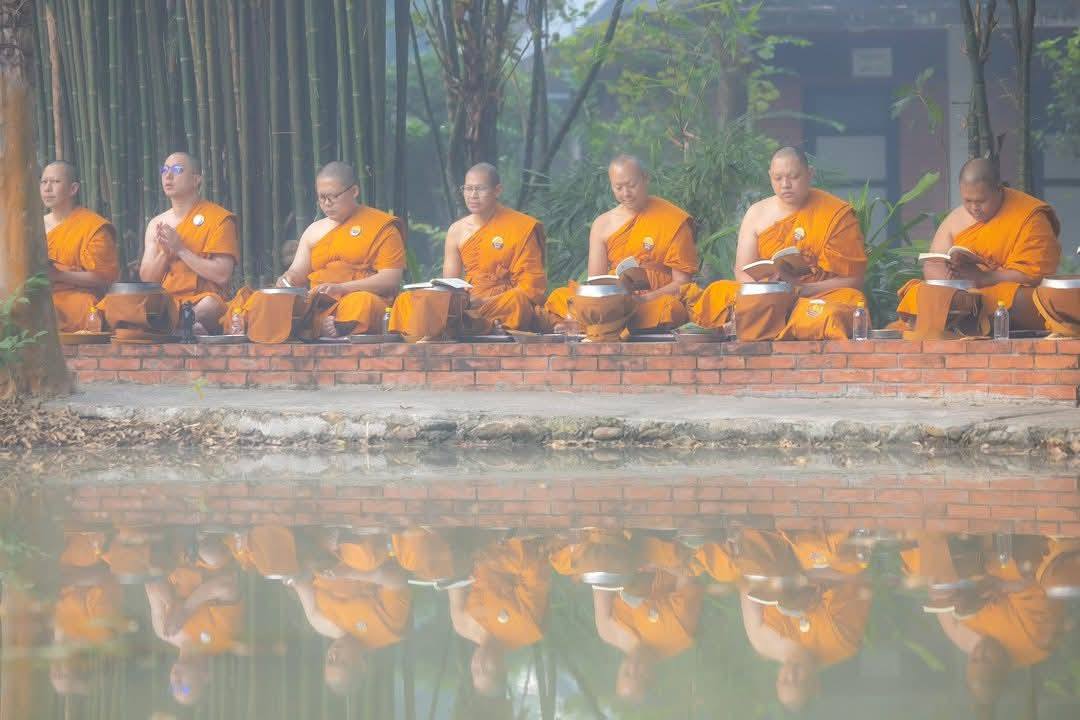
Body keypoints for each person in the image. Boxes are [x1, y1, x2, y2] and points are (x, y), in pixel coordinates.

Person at [683, 146, 868, 340]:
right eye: (778, 178)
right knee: (718, 292)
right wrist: (768, 293)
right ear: (770, 176)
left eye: (794, 177)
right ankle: (773, 317)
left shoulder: (835, 214)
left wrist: (801, 289)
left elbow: (854, 280)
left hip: (815, 296)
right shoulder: (757, 213)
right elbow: (742, 271)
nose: (785, 185)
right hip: (766, 294)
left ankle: (752, 323)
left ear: (810, 174)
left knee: (847, 303)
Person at [893, 158, 1061, 339]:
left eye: (981, 201)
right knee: (921, 292)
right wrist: (953, 279)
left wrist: (984, 277)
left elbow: (1035, 275)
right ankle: (955, 319)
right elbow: (934, 263)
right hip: (966, 293)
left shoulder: (1029, 216)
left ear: (999, 189)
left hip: (1006, 294)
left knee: (1022, 298)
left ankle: (957, 320)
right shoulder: (957, 218)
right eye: (967, 200)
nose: (974, 208)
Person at [542, 155, 698, 341]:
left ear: (645, 178)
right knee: (560, 297)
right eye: (618, 188)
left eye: (631, 185)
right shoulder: (602, 224)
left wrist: (643, 299)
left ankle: (589, 325)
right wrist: (613, 298)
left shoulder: (673, 219)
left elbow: (682, 283)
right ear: (611, 186)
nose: (626, 193)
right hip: (613, 301)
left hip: (652, 300)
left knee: (669, 309)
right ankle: (603, 322)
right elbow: (596, 282)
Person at [389, 163, 547, 341]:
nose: (473, 195)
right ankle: (475, 325)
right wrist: (461, 301)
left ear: (497, 191)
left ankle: (460, 327)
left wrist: (483, 302)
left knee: (517, 301)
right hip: (469, 304)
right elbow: (449, 285)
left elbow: (531, 288)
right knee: (408, 300)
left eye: (480, 189)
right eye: (468, 189)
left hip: (501, 303)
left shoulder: (522, 227)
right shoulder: (457, 230)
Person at [133, 152, 238, 334]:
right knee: (122, 302)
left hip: (202, 301)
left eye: (177, 170)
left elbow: (222, 275)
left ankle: (176, 324)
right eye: (164, 170)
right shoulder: (156, 224)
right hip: (167, 302)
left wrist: (181, 249)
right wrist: (165, 253)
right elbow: (148, 280)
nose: (168, 176)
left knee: (211, 305)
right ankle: (185, 325)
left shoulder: (219, 218)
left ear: (196, 179)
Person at [447, 536, 551, 699]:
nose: (480, 664)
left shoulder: (461, 624)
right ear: (504, 668)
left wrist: (463, 558)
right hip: (512, 535)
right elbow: (535, 564)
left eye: (476, 671)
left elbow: (453, 574)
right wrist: (489, 557)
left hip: (466, 538)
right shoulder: (527, 627)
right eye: (487, 671)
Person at [40, 161, 119, 332]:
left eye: (55, 182)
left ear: (73, 189)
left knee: (85, 307)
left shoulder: (92, 226)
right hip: (37, 297)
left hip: (75, 299)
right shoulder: (32, 226)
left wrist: (59, 275)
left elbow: (104, 277)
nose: (47, 188)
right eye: (44, 182)